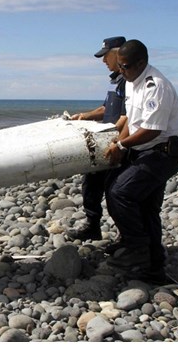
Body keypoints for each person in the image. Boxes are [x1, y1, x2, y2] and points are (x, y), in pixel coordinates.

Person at [103, 39, 178, 283]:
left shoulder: (156, 86)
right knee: (144, 206)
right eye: (119, 66)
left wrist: (121, 145)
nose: (121, 71)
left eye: (126, 66)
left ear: (142, 63)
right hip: (144, 150)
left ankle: (136, 249)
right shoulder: (132, 81)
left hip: (163, 152)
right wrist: (119, 145)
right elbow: (132, 119)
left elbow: (152, 129)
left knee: (121, 193)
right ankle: (154, 268)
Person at [67, 36, 127, 242]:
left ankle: (125, 236)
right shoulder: (114, 80)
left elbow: (127, 117)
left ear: (119, 54)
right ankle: (92, 225)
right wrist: (83, 116)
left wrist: (117, 142)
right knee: (91, 183)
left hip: (119, 143)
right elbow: (105, 109)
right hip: (105, 140)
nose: (103, 61)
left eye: (106, 56)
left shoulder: (129, 81)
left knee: (115, 191)